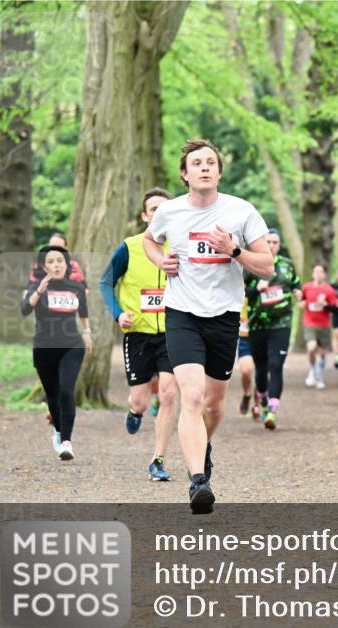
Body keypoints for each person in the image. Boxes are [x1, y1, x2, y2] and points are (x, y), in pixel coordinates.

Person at [143, 138, 273, 513]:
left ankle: (202, 445)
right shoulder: (169, 211)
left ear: (218, 172)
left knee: (214, 406)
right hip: (181, 313)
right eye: (196, 163)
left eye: (210, 162)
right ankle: (198, 481)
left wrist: (232, 250)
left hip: (224, 316)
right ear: (185, 175)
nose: (204, 167)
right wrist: (159, 262)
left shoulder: (241, 211)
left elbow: (266, 266)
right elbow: (150, 242)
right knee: (193, 398)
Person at [99, 187, 178, 482]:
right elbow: (106, 283)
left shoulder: (180, 246)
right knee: (141, 400)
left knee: (169, 393)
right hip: (139, 335)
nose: (159, 213)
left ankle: (158, 459)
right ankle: (135, 411)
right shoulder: (129, 247)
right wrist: (119, 314)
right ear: (145, 216)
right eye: (154, 209)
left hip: (173, 332)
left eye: (165, 208)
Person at [21, 244, 92, 461]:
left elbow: (83, 311)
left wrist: (87, 331)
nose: (56, 265)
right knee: (52, 395)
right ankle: (59, 431)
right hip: (44, 348)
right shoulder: (36, 286)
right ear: (44, 266)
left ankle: (67, 442)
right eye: (51, 262)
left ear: (67, 264)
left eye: (60, 261)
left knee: (66, 390)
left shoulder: (76, 288)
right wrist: (41, 289)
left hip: (72, 345)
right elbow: (25, 309)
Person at [245, 229, 301, 429]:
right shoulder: (251, 264)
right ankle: (262, 398)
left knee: (276, 366)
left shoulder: (287, 265)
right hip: (257, 324)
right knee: (261, 368)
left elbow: (296, 283)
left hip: (281, 323)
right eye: (267, 241)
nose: (271, 245)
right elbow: (238, 291)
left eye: (275, 242)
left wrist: (297, 291)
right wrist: (255, 290)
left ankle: (272, 411)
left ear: (279, 244)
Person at [301, 265, 338, 390]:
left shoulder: (329, 290)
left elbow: (335, 308)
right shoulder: (307, 287)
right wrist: (302, 303)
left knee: (322, 354)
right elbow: (301, 300)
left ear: (324, 274)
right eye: (315, 271)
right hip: (309, 322)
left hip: (324, 324)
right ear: (312, 274)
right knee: (311, 348)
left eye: (320, 272)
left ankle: (319, 375)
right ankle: (312, 370)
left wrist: (325, 305)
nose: (318, 274)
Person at [237, 298, 256, 417]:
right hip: (244, 337)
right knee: (246, 371)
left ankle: (258, 406)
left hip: (262, 334)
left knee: (261, 373)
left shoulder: (262, 285)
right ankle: (247, 394)